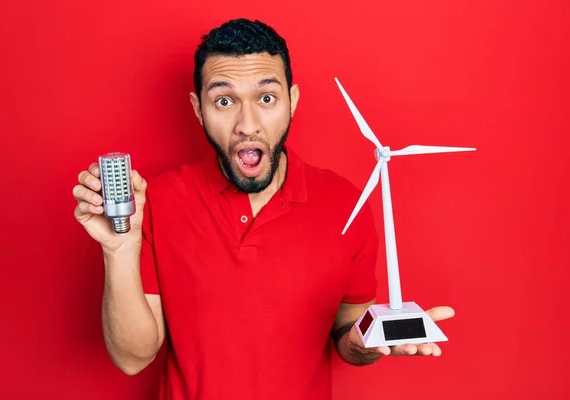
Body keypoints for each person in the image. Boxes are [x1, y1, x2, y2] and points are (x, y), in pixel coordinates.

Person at [72, 18, 454, 400]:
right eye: (224, 101)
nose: (247, 125)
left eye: (266, 98)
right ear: (198, 109)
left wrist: (366, 342)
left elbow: (349, 335)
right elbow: (132, 358)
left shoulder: (346, 204)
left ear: (293, 100)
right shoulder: (156, 201)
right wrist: (119, 248)